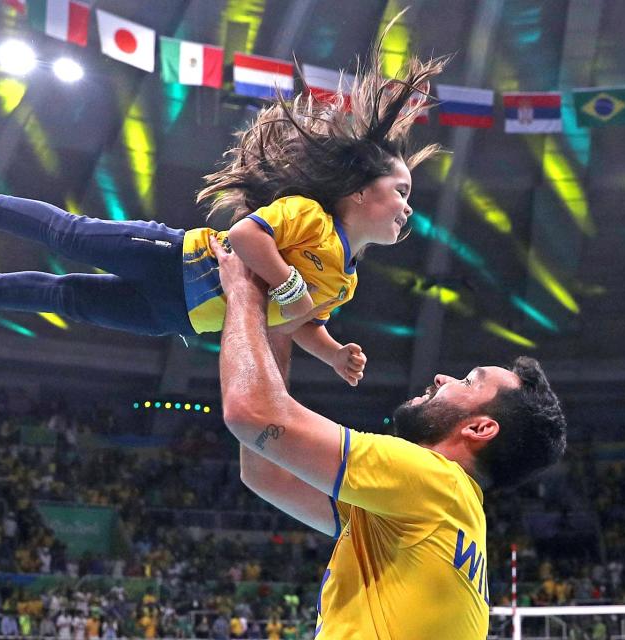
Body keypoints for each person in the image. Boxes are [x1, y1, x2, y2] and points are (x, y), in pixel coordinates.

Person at [0, 40, 444, 387]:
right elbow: (246, 236)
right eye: (401, 191)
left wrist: (330, 355)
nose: (407, 209)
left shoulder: (345, 281)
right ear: (360, 194)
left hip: (177, 318)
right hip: (174, 260)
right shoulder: (309, 216)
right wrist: (284, 283)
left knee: (72, 299)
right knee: (71, 235)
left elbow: (300, 322)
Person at [208, 234, 567, 638]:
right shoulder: (430, 513)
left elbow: (250, 414)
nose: (441, 377)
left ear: (480, 428)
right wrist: (279, 329)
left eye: (467, 381)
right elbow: (270, 475)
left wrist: (244, 292)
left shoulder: (434, 481)